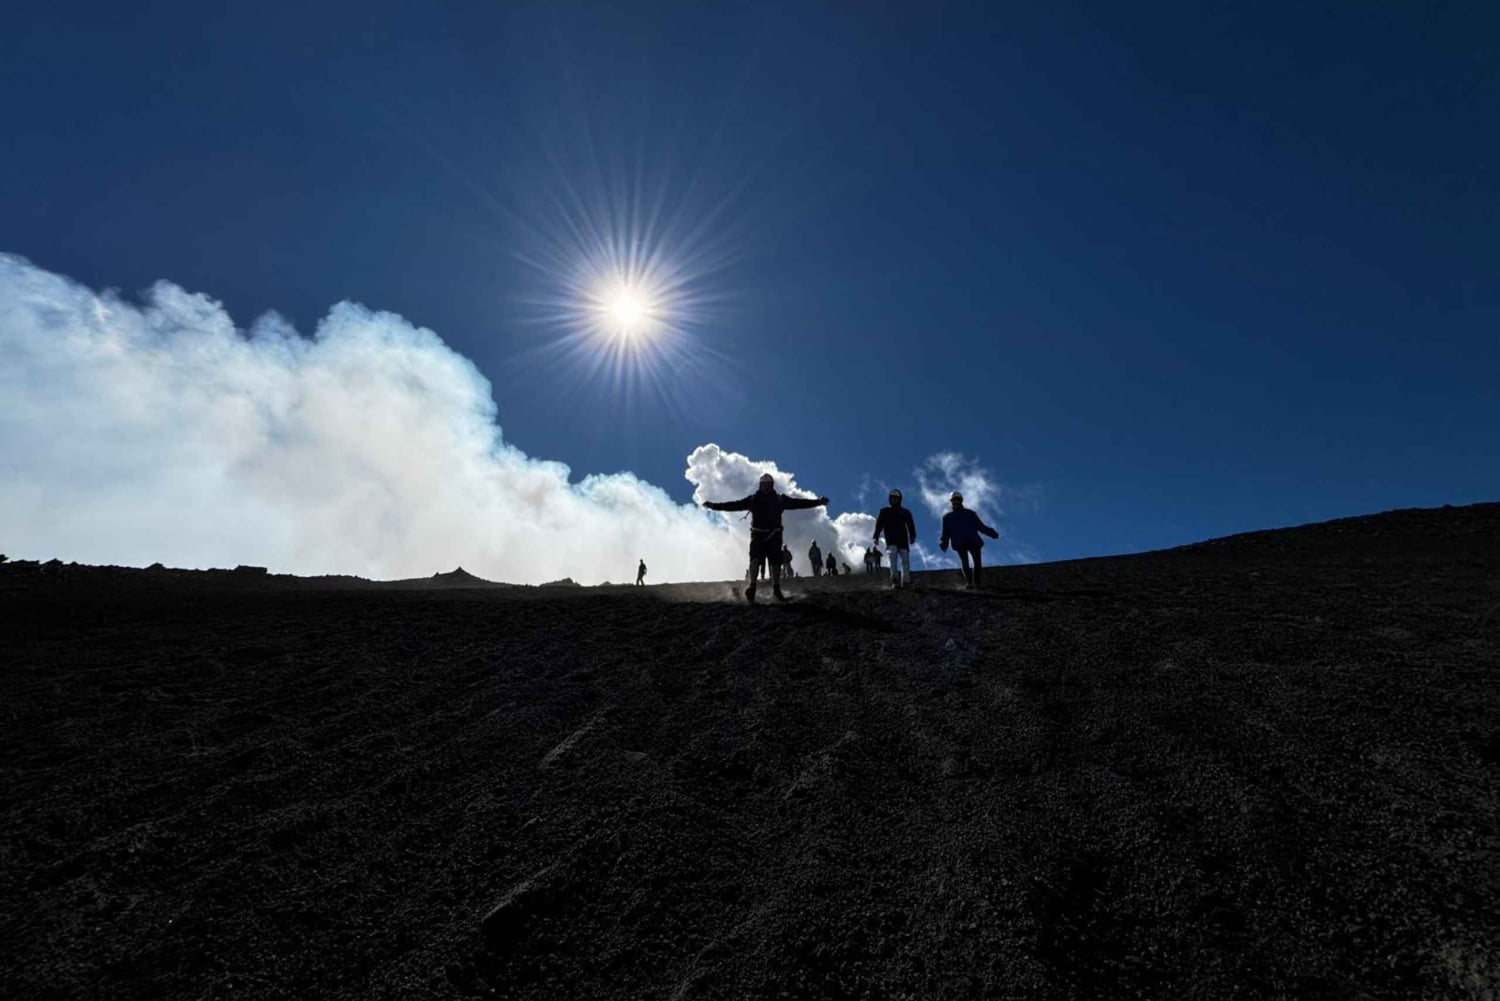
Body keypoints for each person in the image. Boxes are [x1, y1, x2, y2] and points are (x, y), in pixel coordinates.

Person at [703, 473, 829, 603]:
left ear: (772, 485)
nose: (766, 487)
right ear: (760, 485)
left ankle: (776, 588)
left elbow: (799, 503)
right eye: (764, 485)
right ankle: (752, 586)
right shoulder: (753, 500)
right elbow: (732, 505)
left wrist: (818, 502)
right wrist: (714, 506)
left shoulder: (780, 500)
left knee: (775, 561)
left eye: (768, 485)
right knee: (755, 559)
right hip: (757, 535)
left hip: (774, 536)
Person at [939, 491, 1000, 589]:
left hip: (965, 542)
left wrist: (944, 543)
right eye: (954, 500)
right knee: (971, 562)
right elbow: (946, 532)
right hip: (969, 541)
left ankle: (972, 583)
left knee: (970, 562)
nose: (956, 502)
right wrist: (992, 533)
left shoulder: (949, 517)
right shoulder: (967, 514)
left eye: (956, 500)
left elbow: (980, 527)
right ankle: (974, 583)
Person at [874, 488, 917, 589]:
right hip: (891, 540)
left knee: (905, 560)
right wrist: (875, 536)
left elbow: (911, 525)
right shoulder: (884, 511)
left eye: (896, 497)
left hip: (903, 540)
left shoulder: (905, 512)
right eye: (892, 497)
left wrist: (912, 536)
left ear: (899, 499)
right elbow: (879, 525)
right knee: (892, 559)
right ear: (889, 499)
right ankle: (895, 580)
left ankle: (906, 581)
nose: (894, 499)